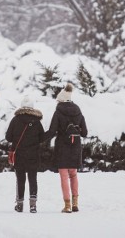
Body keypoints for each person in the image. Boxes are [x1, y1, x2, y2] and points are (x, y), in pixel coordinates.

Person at [45, 83, 88, 213]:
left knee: (64, 175)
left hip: (62, 146)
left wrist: (39, 138)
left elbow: (52, 131)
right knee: (73, 175)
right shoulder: (79, 111)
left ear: (61, 100)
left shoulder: (58, 112)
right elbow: (85, 133)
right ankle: (75, 204)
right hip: (75, 146)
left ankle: (67, 205)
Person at [5, 95, 45, 213]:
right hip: (33, 155)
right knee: (33, 179)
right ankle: (33, 206)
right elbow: (41, 138)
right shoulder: (37, 121)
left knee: (20, 179)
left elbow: (8, 137)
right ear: (32, 107)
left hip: (19, 155)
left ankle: (19, 205)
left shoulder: (15, 120)